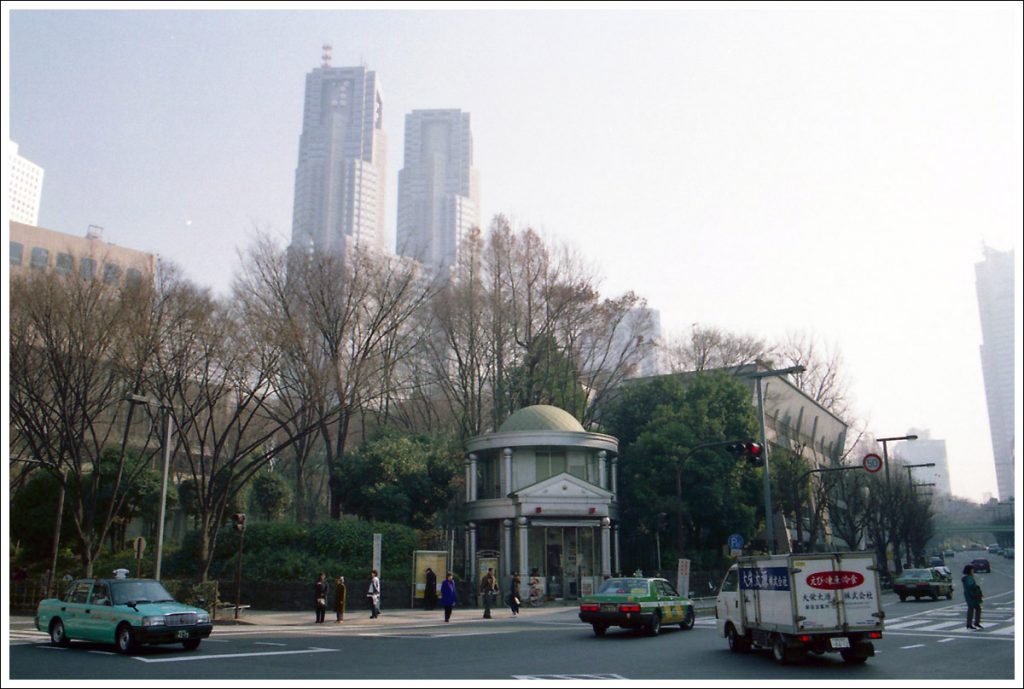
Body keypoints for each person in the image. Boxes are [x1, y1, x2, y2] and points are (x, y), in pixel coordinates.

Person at [962, 564, 983, 629]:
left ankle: (971, 623)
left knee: (973, 608)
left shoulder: (965, 577)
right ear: (969, 570)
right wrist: (976, 587)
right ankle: (973, 623)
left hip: (968, 595)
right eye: (972, 569)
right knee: (974, 608)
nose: (973, 571)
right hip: (972, 595)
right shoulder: (969, 577)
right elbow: (971, 586)